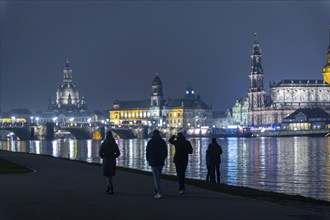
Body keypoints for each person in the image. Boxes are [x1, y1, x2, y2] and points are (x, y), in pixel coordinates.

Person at [146, 129, 168, 199]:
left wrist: (148, 159)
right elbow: (165, 151)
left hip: (153, 161)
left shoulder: (150, 142)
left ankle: (159, 192)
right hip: (161, 161)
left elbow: (148, 151)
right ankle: (156, 190)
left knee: (156, 177)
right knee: (158, 176)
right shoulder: (162, 142)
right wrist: (163, 158)